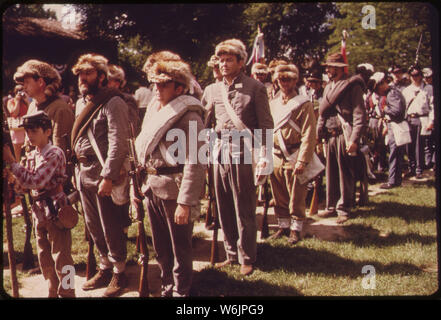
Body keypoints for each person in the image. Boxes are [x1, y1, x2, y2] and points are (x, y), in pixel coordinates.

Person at [135, 55, 205, 297]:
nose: (157, 89)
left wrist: (185, 202)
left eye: (164, 84)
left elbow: (196, 162)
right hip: (152, 185)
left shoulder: (190, 116)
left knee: (180, 247)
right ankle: (167, 285)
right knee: (160, 246)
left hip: (175, 188)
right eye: (155, 84)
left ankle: (181, 290)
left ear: (180, 88)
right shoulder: (155, 110)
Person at [202, 39, 274, 276]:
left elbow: (265, 125)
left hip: (243, 151)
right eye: (221, 60)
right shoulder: (212, 89)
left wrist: (265, 157)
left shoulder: (255, 87)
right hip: (218, 152)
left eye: (229, 60)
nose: (223, 64)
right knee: (222, 207)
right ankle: (231, 253)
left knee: (244, 207)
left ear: (241, 62)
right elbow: (204, 123)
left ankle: (247, 256)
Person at [70, 53, 130, 297]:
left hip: (103, 170)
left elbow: (118, 142)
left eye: (88, 73)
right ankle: (104, 265)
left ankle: (119, 270)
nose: (83, 78)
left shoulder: (114, 102)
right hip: (83, 171)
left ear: (102, 76)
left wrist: (108, 176)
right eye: (80, 74)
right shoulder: (80, 103)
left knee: (110, 225)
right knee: (93, 226)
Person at [3, 111, 75, 298]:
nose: (29, 136)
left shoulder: (54, 153)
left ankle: (68, 292)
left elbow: (35, 181)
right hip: (39, 211)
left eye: (34, 131)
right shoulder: (33, 154)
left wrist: (12, 161)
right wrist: (12, 177)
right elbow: (26, 184)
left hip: (55, 210)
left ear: (48, 131)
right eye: (27, 132)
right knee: (45, 258)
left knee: (63, 258)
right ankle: (53, 289)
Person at [267, 64, 317, 243]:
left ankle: (296, 229)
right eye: (281, 79)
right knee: (278, 194)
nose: (284, 83)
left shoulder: (303, 103)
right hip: (276, 154)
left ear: (295, 80)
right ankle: (283, 226)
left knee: (296, 196)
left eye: (288, 79)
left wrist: (302, 161)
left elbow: (309, 133)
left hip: (294, 154)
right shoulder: (272, 103)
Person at [316, 53, 366, 224]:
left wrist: (354, 139)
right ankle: (331, 206)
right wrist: (319, 131)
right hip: (330, 134)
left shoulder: (353, 86)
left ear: (338, 68)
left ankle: (344, 207)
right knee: (330, 173)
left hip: (344, 133)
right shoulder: (328, 86)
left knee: (345, 173)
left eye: (330, 67)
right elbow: (323, 112)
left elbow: (359, 115)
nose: (327, 70)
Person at [368, 72, 407, 189]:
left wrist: (385, 109)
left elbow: (397, 111)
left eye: (377, 89)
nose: (378, 93)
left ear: (381, 85)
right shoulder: (392, 92)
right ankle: (396, 179)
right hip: (394, 126)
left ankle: (392, 181)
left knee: (394, 154)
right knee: (396, 154)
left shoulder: (391, 94)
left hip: (395, 126)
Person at [402, 66, 430, 179]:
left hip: (421, 118)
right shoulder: (406, 90)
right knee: (409, 145)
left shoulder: (428, 89)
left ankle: (419, 169)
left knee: (419, 145)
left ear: (421, 75)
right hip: (409, 118)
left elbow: (432, 106)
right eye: (412, 75)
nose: (415, 77)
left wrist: (431, 121)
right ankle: (411, 167)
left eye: (417, 75)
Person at [6, 85, 29, 161]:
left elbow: (30, 111)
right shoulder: (11, 101)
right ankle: (17, 165)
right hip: (17, 128)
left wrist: (26, 101)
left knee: (27, 148)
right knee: (17, 151)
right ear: (15, 92)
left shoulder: (25, 101)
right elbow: (14, 113)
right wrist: (17, 101)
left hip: (25, 127)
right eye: (19, 92)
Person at [422, 67, 435, 170]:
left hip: (431, 116)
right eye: (425, 77)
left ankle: (431, 162)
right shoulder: (425, 87)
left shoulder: (430, 88)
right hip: (426, 117)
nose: (427, 79)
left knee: (431, 141)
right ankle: (428, 162)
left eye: (429, 77)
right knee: (428, 142)